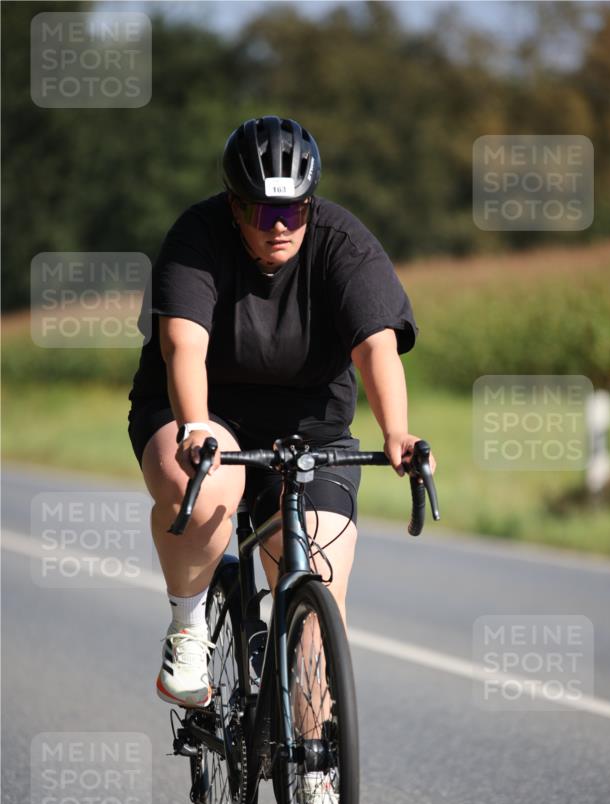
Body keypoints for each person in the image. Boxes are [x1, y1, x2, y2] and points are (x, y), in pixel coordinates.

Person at [128, 115, 433, 711]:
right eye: (264, 212)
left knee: (319, 605)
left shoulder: (343, 244)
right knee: (209, 481)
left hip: (310, 425)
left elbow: (376, 346)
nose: (280, 226)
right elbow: (183, 345)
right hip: (202, 408)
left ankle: (317, 778)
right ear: (235, 207)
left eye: (294, 211)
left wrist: (395, 430)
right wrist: (193, 427)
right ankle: (188, 628)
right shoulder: (198, 235)